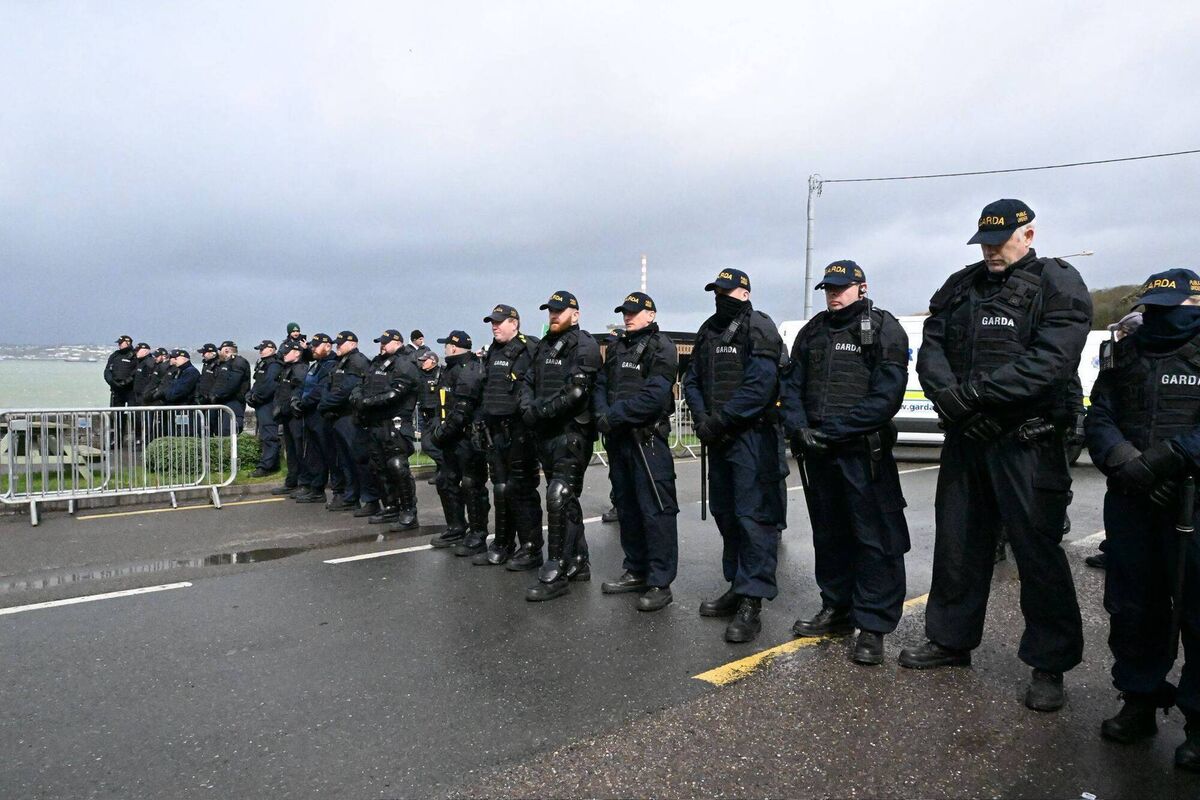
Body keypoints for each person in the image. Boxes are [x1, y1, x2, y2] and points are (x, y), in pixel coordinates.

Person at [906, 199, 1091, 712]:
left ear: (1028, 235)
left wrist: (977, 397)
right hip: (968, 436)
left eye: (1001, 240)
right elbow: (932, 349)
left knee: (1037, 553)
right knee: (959, 544)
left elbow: (1051, 361)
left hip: (1026, 441)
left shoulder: (1058, 283)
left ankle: (1049, 664)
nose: (990, 249)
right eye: (984, 241)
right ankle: (950, 640)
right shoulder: (960, 284)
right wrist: (956, 404)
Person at [1084, 269, 1200, 772]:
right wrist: (1128, 460)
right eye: (1151, 305)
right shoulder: (1124, 353)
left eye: (1168, 307)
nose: (1155, 316)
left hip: (1192, 499)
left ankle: (1198, 721)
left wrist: (1170, 458)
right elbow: (1099, 416)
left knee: (1198, 610)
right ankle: (1140, 698)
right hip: (1132, 500)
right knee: (1133, 606)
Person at [782, 261, 911, 665]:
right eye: (828, 289)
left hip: (861, 454)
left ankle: (873, 625)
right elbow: (791, 384)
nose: (834, 295)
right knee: (829, 534)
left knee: (875, 539)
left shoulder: (884, 329)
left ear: (862, 287)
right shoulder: (813, 331)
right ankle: (837, 608)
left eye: (841, 288)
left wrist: (834, 431)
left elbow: (886, 397)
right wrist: (800, 428)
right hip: (819, 453)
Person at [682, 268, 789, 643]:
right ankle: (737, 585)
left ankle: (752, 601)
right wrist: (700, 418)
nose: (720, 297)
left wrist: (722, 420)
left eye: (727, 292)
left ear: (745, 293)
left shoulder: (759, 327)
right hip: (719, 438)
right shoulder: (708, 329)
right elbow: (691, 379)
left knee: (753, 518)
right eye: (716, 291)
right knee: (725, 514)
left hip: (751, 438)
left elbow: (761, 385)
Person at [595, 292, 680, 612]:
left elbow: (655, 396)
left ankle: (660, 581)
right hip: (619, 440)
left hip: (647, 441)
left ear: (651, 314)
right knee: (627, 507)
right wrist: (602, 414)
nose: (628, 317)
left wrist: (613, 416)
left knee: (655, 510)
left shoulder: (662, 347)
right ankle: (636, 569)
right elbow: (601, 386)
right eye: (625, 312)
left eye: (633, 312)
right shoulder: (617, 347)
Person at [522, 291, 601, 601]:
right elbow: (528, 380)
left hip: (571, 434)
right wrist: (528, 407)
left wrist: (540, 411)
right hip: (545, 435)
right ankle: (579, 560)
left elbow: (578, 391)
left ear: (575, 314)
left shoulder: (585, 344)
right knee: (565, 501)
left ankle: (555, 569)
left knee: (558, 496)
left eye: (559, 311)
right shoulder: (543, 346)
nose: (554, 315)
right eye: (550, 311)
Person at [476, 303, 543, 569]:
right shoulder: (493, 350)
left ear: (514, 323)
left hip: (519, 430)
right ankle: (503, 544)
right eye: (492, 322)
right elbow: (488, 390)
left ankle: (531, 548)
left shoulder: (528, 349)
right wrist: (480, 424)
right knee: (501, 489)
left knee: (522, 490)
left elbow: (532, 389)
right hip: (496, 432)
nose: (494, 326)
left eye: (499, 322)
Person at [1086, 310, 1144, 571]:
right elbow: (1101, 412)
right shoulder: (1120, 362)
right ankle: (1113, 549)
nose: (1118, 336)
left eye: (1122, 332)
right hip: (1125, 458)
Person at [427, 330, 490, 555]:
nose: (445, 349)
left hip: (467, 438)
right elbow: (442, 405)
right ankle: (455, 527)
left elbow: (462, 410)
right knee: (446, 480)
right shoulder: (450, 370)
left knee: (472, 485)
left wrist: (440, 434)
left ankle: (477, 533)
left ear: (453, 347)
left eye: (447, 346)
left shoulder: (469, 370)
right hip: (450, 439)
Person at [359, 329, 422, 529]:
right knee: (379, 466)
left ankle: (408, 511)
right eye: (380, 342)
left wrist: (368, 402)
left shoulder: (405, 364)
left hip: (395, 423)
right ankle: (391, 506)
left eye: (385, 342)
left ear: (398, 342)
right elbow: (363, 384)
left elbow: (397, 393)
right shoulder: (377, 363)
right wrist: (358, 398)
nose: (382, 345)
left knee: (397, 466)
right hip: (376, 423)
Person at [317, 331, 375, 513]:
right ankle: (351, 497)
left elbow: (347, 390)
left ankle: (370, 498)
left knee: (359, 459)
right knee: (345, 460)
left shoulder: (357, 361)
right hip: (337, 416)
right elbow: (329, 386)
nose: (337, 347)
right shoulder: (342, 361)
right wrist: (325, 403)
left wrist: (325, 403)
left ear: (352, 343)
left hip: (350, 416)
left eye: (340, 344)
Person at [294, 333, 339, 504]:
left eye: (316, 345)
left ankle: (337, 492)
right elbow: (305, 384)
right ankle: (316, 488)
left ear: (327, 346)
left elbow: (320, 390)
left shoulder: (330, 365)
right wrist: (297, 400)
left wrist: (304, 403)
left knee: (328, 453)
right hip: (310, 415)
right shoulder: (316, 365)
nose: (312, 348)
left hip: (320, 414)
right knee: (314, 454)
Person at [270, 340, 311, 496]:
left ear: (296, 353)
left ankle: (304, 482)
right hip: (286, 415)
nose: (284, 355)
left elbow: (298, 392)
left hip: (296, 416)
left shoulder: (300, 369)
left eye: (286, 352)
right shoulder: (287, 368)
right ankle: (292, 481)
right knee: (292, 451)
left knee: (301, 450)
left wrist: (289, 407)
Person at [247, 340, 284, 477]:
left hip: (268, 404)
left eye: (263, 348)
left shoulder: (274, 365)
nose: (260, 351)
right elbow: (258, 383)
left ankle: (267, 466)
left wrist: (256, 397)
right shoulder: (264, 363)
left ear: (272, 349)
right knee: (264, 434)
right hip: (262, 404)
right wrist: (250, 395)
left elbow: (269, 385)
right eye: (260, 349)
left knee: (269, 435)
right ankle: (269, 464)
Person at [415, 348, 444, 486]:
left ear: (433, 361)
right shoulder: (420, 375)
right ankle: (443, 470)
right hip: (426, 415)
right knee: (429, 444)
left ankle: (446, 467)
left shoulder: (442, 374)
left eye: (424, 361)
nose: (422, 363)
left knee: (429, 444)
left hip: (438, 415)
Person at [210, 341, 251, 435]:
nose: (218, 353)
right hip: (223, 401)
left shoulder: (238, 362)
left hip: (234, 402)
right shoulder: (224, 363)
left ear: (227, 350)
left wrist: (217, 395)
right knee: (218, 432)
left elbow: (232, 384)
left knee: (228, 432)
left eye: (220, 350)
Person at [104, 335, 137, 407]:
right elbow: (107, 371)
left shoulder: (135, 356)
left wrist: (126, 382)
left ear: (128, 343)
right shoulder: (115, 355)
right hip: (116, 390)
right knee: (116, 414)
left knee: (133, 412)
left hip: (130, 390)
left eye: (121, 343)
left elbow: (136, 372)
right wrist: (112, 382)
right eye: (118, 343)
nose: (119, 345)